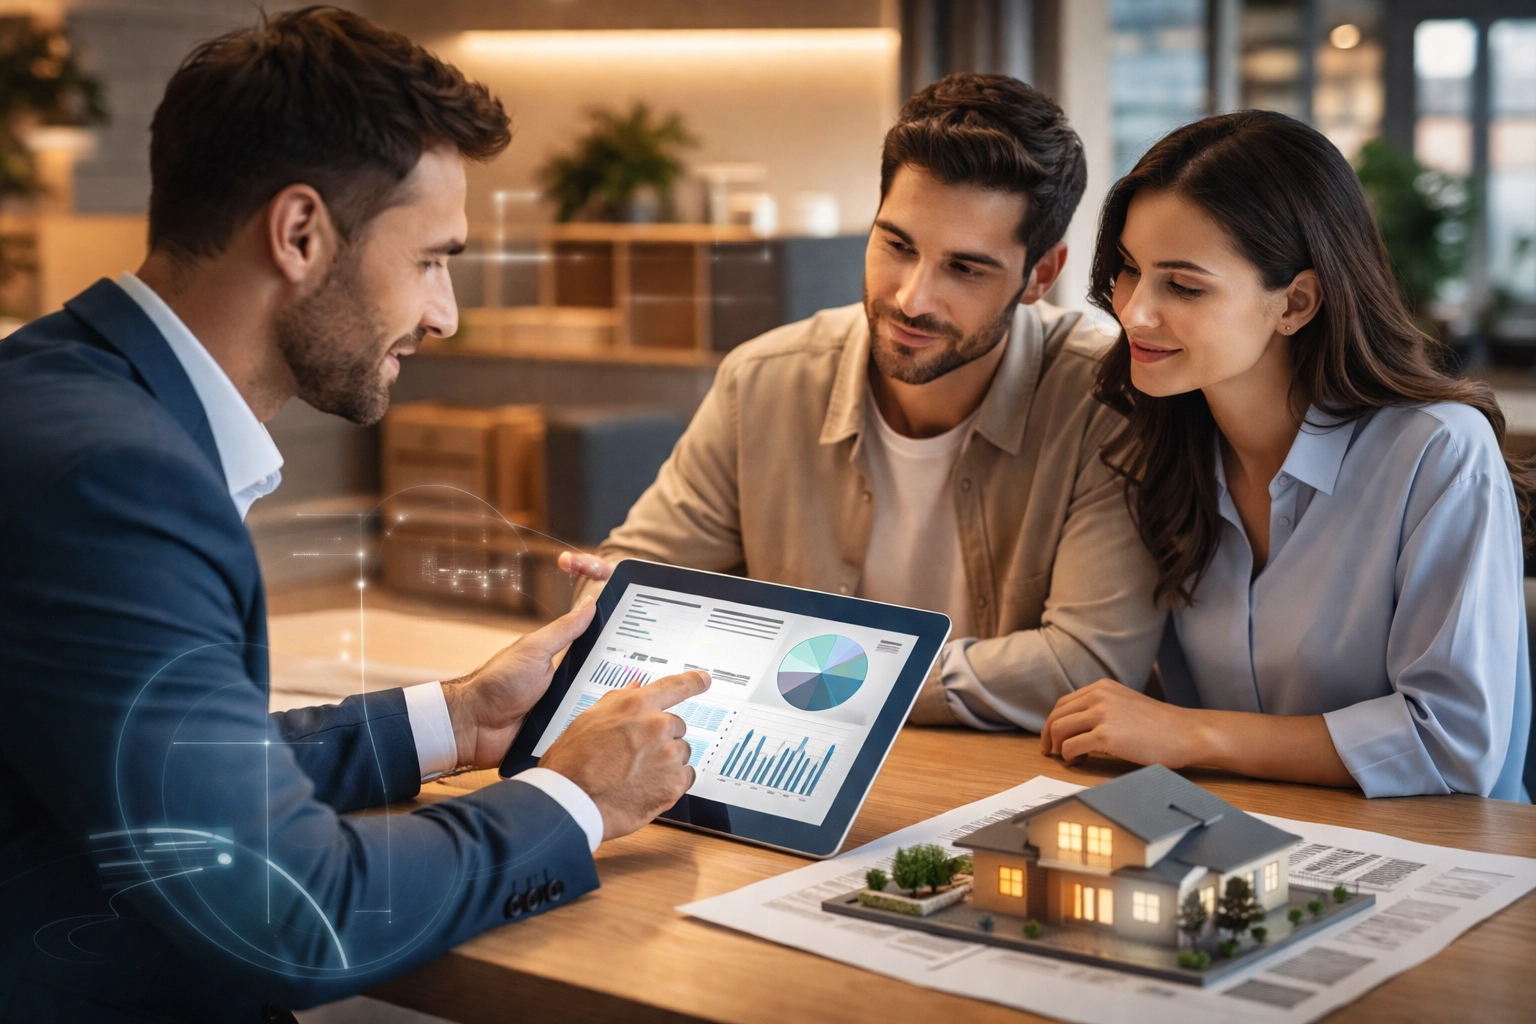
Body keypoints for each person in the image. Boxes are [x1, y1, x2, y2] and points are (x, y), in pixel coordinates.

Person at [0, 9, 708, 1022]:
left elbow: (169, 769)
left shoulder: (50, 385)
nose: (444, 313)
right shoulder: (116, 480)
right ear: (299, 234)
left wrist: (454, 720)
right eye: (431, 259)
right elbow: (290, 912)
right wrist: (576, 799)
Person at [560, 73, 1164, 732]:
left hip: (999, 784)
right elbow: (635, 590)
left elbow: (1083, 669)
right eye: (896, 246)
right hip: (779, 759)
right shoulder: (763, 381)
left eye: (964, 268)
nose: (911, 298)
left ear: (1040, 275)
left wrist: (814, 673)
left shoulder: (1108, 401)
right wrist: (617, 595)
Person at [1037, 110, 1531, 802]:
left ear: (1295, 302)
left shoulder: (1437, 451)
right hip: (1236, 848)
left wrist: (1190, 734)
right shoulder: (1155, 444)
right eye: (1128, 270)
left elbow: (1452, 745)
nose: (1134, 311)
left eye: (1183, 285)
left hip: (1442, 865)